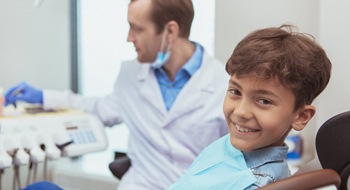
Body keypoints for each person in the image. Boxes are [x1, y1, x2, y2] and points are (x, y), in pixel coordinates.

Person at [4, 0, 229, 189]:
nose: (129, 38)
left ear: (170, 31)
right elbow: (97, 108)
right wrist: (44, 97)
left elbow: (237, 161)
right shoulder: (131, 75)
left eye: (137, 28)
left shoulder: (224, 86)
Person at [167, 24, 332, 189]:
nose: (240, 112)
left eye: (264, 101)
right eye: (235, 91)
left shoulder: (256, 183)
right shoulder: (229, 146)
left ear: (301, 116)